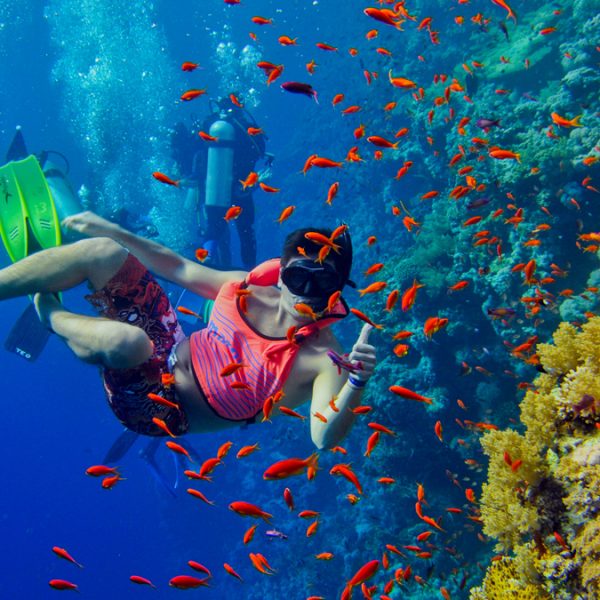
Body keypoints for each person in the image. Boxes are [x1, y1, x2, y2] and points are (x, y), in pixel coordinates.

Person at [0, 211, 376, 449]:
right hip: (167, 344)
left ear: (339, 289)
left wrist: (357, 382)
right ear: (281, 274)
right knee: (101, 251)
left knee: (126, 342)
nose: (305, 296)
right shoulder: (247, 287)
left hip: (159, 410)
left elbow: (322, 437)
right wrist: (115, 232)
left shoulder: (325, 358)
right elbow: (178, 268)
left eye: (323, 282)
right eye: (298, 278)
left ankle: (47, 312)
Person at [171, 95, 272, 270]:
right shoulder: (245, 126)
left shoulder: (209, 124)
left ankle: (208, 258)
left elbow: (194, 154)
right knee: (245, 230)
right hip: (241, 188)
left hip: (212, 188)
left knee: (214, 226)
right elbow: (258, 151)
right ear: (239, 107)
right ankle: (251, 272)